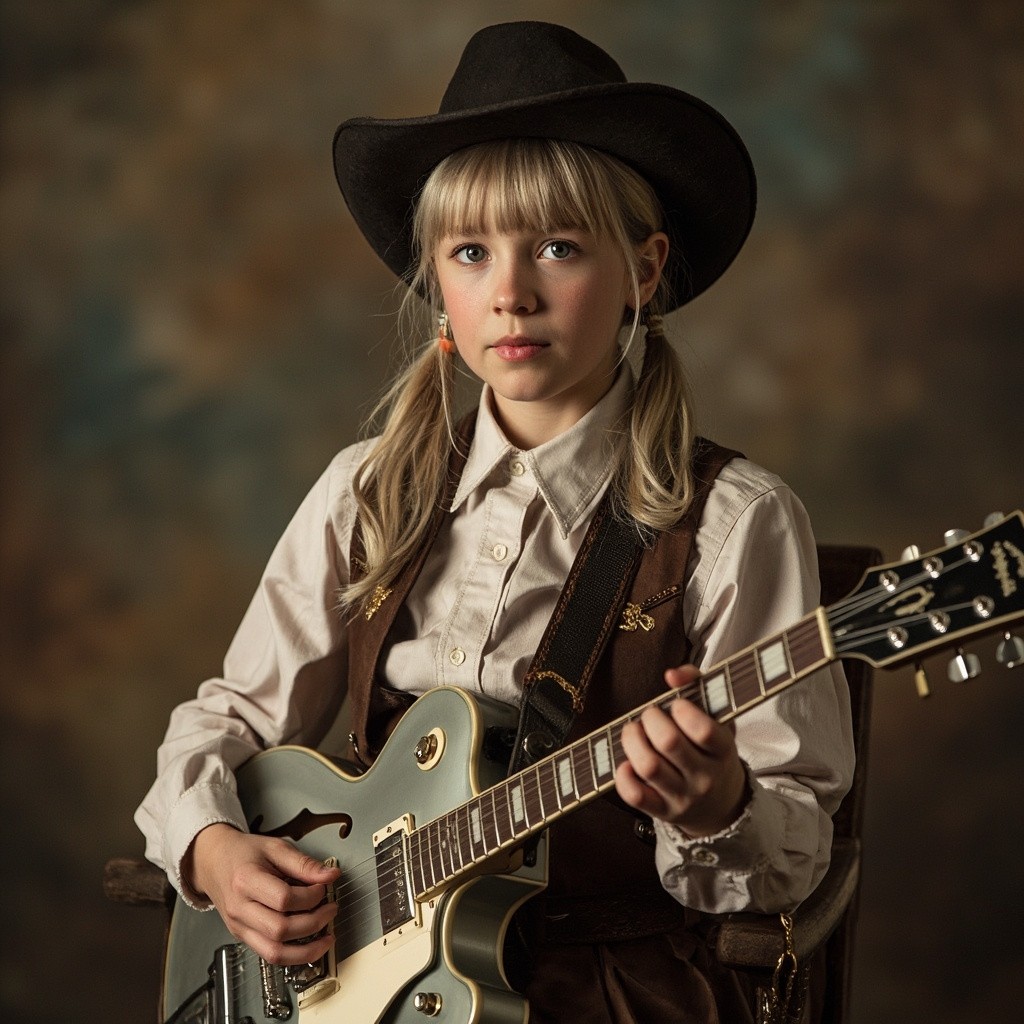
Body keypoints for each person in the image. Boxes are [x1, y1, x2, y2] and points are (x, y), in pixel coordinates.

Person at [136, 20, 854, 1024]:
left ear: (644, 273)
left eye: (558, 247)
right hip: (362, 983)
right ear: (437, 287)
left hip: (610, 987)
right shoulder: (368, 490)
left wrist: (717, 805)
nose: (510, 294)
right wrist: (212, 849)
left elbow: (791, 860)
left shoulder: (736, 522)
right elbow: (233, 720)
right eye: (470, 253)